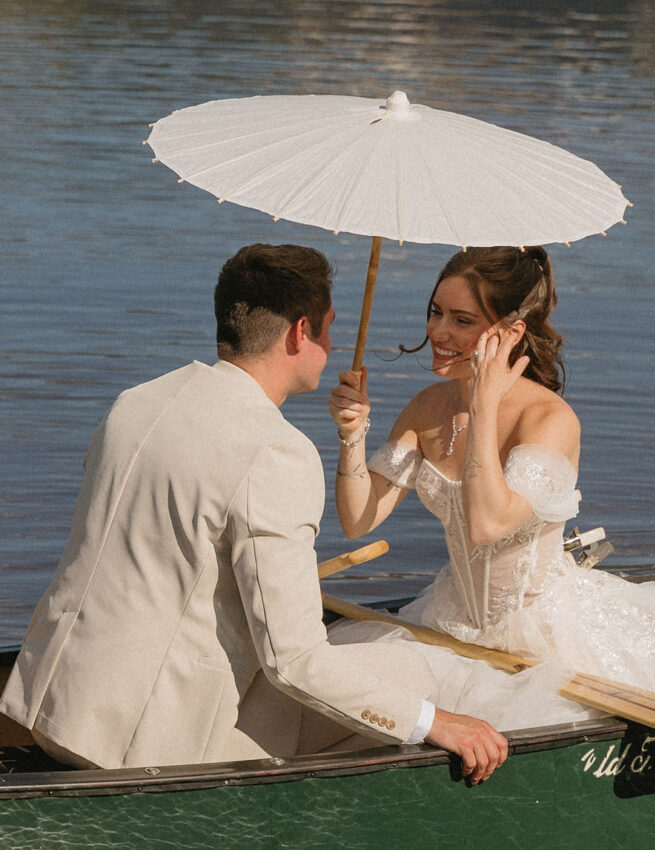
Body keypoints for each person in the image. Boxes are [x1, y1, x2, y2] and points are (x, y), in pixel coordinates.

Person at [0, 243, 509, 781]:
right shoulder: (277, 453)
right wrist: (434, 722)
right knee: (407, 668)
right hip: (141, 743)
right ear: (299, 332)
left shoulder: (136, 402)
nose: (332, 345)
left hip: (49, 705)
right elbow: (294, 662)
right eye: (329, 329)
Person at [327, 246, 655, 728]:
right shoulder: (427, 407)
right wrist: (352, 434)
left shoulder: (549, 419)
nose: (438, 332)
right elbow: (357, 519)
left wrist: (484, 409)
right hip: (448, 618)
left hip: (543, 634)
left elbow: (488, 524)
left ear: (510, 333)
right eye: (436, 312)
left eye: (462, 320)